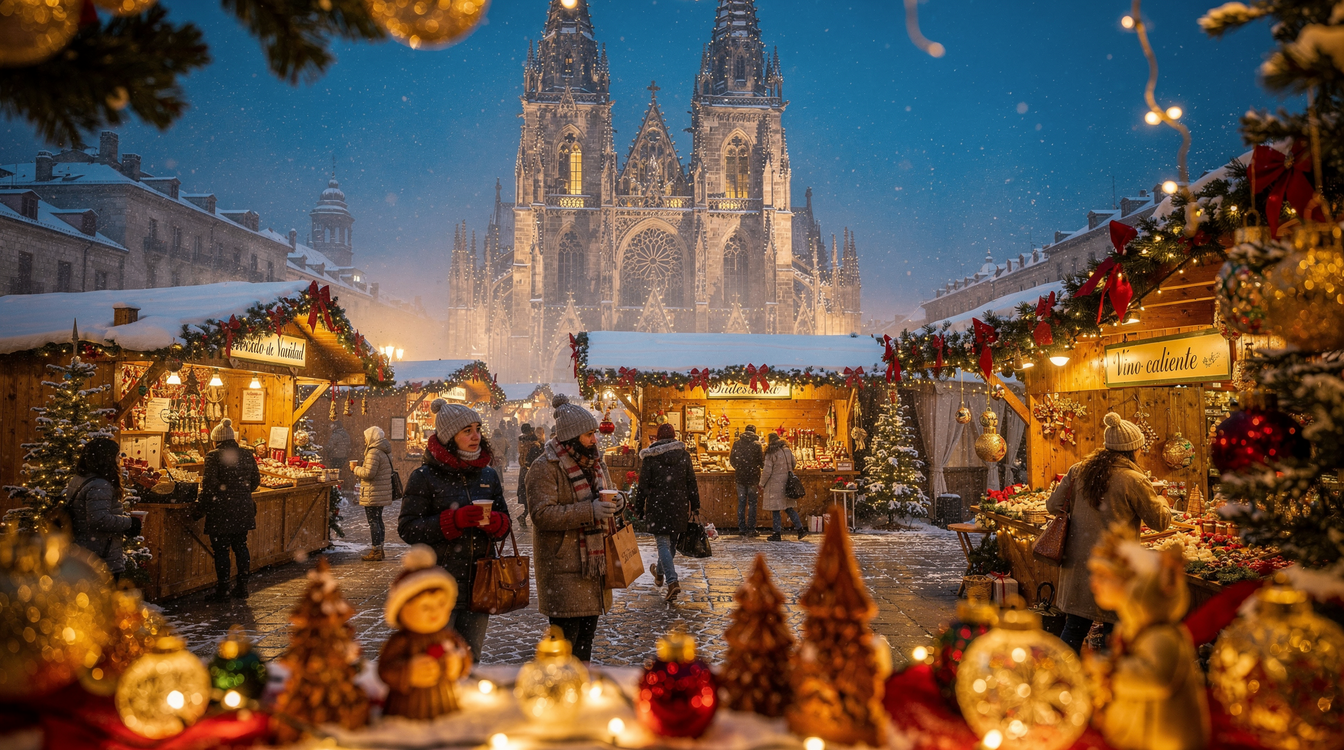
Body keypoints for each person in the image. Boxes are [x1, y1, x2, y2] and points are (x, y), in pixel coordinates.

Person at [1046, 412, 1173, 653]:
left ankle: (1061, 672)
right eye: (1139, 448)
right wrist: (1163, 501)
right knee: (1114, 635)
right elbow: (1160, 521)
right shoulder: (1134, 479)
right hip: (1115, 568)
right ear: (1132, 450)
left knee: (1074, 628)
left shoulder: (1078, 471)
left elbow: (1053, 506)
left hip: (1079, 564)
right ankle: (1108, 675)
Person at [398, 400, 511, 662]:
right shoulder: (424, 476)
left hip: (480, 582)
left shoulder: (488, 475)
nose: (476, 436)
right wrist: (453, 520)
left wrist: (497, 523)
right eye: (467, 431)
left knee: (470, 658)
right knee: (437, 659)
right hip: (439, 582)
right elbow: (408, 528)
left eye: (477, 429)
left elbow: (505, 524)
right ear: (449, 437)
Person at [526, 394, 622, 661]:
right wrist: (589, 511)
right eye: (589, 434)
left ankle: (581, 682)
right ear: (571, 437)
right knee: (565, 642)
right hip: (564, 567)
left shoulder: (596, 463)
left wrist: (619, 502)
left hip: (594, 566)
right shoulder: (545, 467)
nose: (595, 439)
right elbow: (542, 514)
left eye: (594, 433)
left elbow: (608, 493)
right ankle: (562, 685)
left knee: (586, 639)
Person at [196, 418, 261, 601]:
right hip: (243, 508)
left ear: (217, 440)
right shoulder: (247, 454)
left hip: (221, 509)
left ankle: (223, 589)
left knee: (221, 550)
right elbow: (255, 481)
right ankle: (242, 587)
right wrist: (241, 493)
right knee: (241, 546)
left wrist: (201, 507)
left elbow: (209, 485)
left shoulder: (213, 456)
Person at [636, 423, 701, 602]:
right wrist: (695, 505)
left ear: (657, 438)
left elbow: (643, 486)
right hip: (678, 505)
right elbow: (691, 482)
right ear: (674, 437)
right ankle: (659, 574)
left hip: (658, 505)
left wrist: (638, 507)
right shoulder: (684, 455)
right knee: (670, 544)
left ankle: (672, 582)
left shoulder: (650, 457)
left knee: (663, 544)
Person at [66, 437, 139, 579]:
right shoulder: (100, 485)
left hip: (86, 550)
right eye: (117, 455)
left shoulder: (81, 478)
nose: (119, 459)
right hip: (100, 554)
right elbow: (99, 519)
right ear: (107, 458)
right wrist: (130, 523)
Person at [352, 425, 394, 561]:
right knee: (378, 520)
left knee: (373, 521)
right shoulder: (384, 451)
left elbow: (369, 473)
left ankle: (376, 550)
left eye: (366, 438)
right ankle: (380, 549)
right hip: (380, 492)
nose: (365, 440)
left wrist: (355, 469)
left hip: (373, 492)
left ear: (371, 437)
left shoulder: (373, 452)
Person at [760, 432, 807, 541]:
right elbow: (794, 464)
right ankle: (800, 529)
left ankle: (777, 533)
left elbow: (767, 471)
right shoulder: (787, 450)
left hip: (775, 484)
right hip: (788, 483)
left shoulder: (771, 452)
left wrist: (761, 484)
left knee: (775, 509)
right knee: (788, 508)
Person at [729, 425, 764, 537]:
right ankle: (751, 529)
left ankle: (742, 528)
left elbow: (732, 459)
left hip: (740, 477)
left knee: (741, 503)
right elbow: (761, 461)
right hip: (753, 478)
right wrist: (757, 468)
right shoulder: (757, 445)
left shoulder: (737, 443)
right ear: (754, 432)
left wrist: (738, 468)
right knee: (752, 504)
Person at [515, 423, 543, 530]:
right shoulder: (534, 444)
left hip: (524, 470)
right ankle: (526, 516)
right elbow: (535, 458)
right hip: (530, 471)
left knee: (528, 496)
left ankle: (524, 516)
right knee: (532, 496)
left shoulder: (522, 441)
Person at [327, 422, 352, 491]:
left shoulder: (336, 435)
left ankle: (334, 489)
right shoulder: (346, 434)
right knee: (339, 473)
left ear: (336, 426)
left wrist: (325, 449)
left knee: (333, 474)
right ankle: (339, 488)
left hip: (336, 456)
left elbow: (330, 446)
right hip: (343, 456)